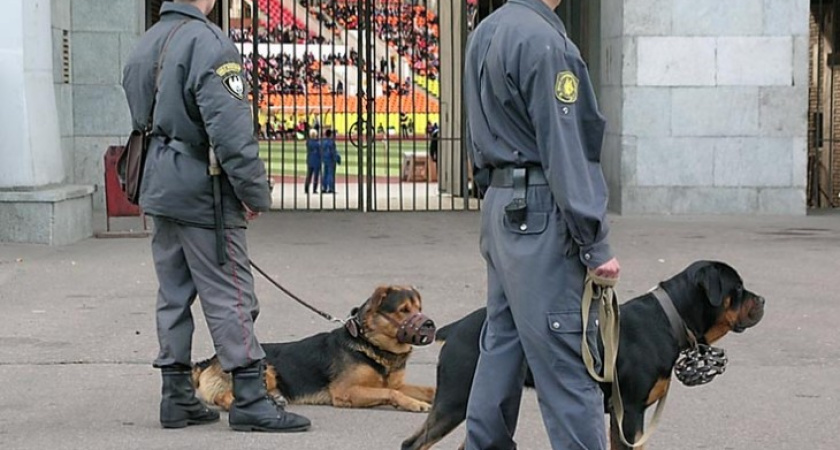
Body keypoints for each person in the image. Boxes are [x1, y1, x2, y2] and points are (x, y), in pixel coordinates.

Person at [121, 0, 311, 433]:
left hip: (157, 182)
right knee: (232, 292)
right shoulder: (209, 43)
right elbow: (231, 132)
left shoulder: (145, 43)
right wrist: (254, 192)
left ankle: (176, 396)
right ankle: (249, 396)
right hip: (200, 188)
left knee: (173, 291)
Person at [462, 0, 621, 449]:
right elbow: (565, 148)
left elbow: (480, 130)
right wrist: (595, 241)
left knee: (502, 347)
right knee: (568, 359)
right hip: (537, 209)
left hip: (501, 202)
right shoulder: (547, 42)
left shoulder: (488, 31)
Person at [304, 128, 322, 194]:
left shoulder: (308, 142)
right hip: (316, 160)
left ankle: (306, 188)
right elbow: (320, 152)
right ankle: (314, 189)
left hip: (310, 160)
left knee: (309, 175)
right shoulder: (318, 143)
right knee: (316, 176)